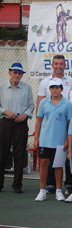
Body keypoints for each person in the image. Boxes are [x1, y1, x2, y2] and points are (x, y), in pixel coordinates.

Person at [36, 55, 72, 194]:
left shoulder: (71, 81)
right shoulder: (44, 82)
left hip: (64, 125)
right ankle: (48, 186)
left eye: (61, 64)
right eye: (56, 63)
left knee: (62, 161)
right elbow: (39, 113)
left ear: (65, 65)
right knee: (47, 161)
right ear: (52, 65)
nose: (58, 66)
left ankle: (66, 186)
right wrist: (37, 137)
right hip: (48, 131)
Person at [0, 63, 34, 193]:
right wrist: (5, 112)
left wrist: (25, 115)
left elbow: (31, 105)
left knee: (19, 154)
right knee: (2, 153)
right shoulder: (2, 87)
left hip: (20, 123)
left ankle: (17, 184)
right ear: (10, 73)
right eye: (15, 72)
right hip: (5, 122)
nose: (17, 75)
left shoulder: (27, 87)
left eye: (19, 73)